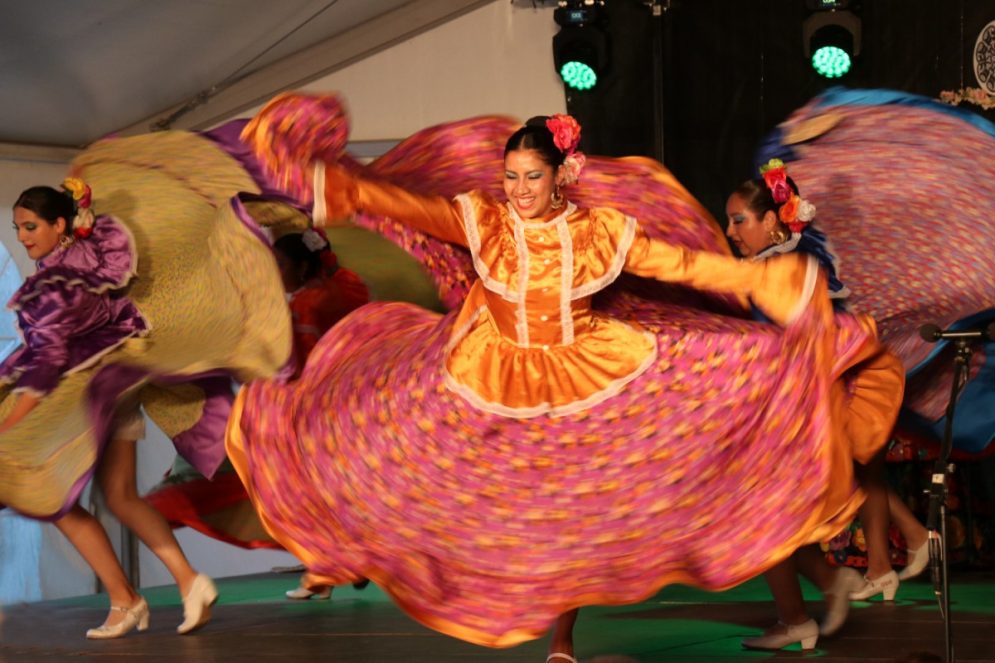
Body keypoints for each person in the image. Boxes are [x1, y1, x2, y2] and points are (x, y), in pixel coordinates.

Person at [227, 95, 892, 661]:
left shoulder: (598, 233)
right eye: (510, 176)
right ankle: (541, 628)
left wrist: (756, 280)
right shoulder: (486, 221)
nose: (518, 190)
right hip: (491, 372)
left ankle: (565, 639)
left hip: (586, 373)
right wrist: (338, 186)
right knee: (466, 487)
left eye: (531, 178)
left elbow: (680, 265)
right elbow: (405, 206)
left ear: (560, 177)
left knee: (574, 510)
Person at [0, 182, 217, 638]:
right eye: (17, 228)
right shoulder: (90, 255)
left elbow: (49, 362)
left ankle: (125, 599)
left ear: (60, 224)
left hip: (87, 397)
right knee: (119, 496)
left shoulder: (54, 286)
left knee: (53, 502)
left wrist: (12, 424)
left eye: (30, 226)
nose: (21, 236)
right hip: (120, 386)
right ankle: (189, 581)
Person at [725, 162, 922, 650]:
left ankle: (807, 610)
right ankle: (835, 587)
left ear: (771, 220)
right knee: (779, 514)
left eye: (738, 220)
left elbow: (788, 347)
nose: (730, 231)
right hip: (804, 407)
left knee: (765, 514)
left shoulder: (785, 270)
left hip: (802, 410)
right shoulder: (791, 260)